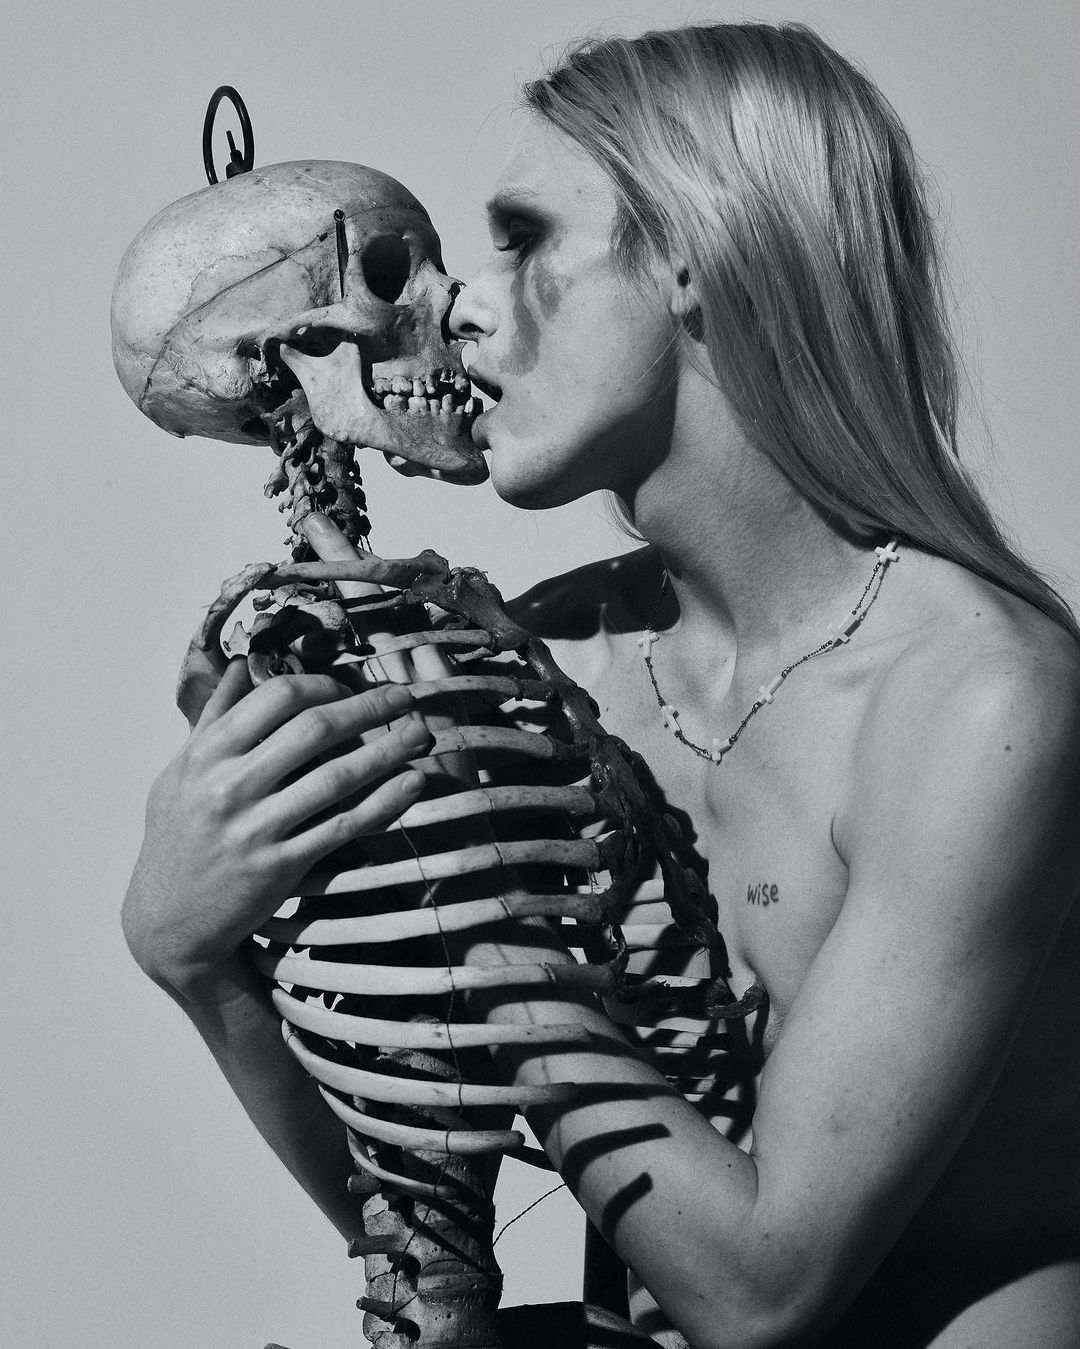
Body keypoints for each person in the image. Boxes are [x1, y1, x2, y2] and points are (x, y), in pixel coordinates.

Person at [122, 22, 1080, 1348]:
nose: (464, 303)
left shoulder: (979, 705)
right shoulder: (553, 676)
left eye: (524, 240)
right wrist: (195, 954)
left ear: (699, 256)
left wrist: (476, 892)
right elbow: (421, 1240)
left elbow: (759, 1291)